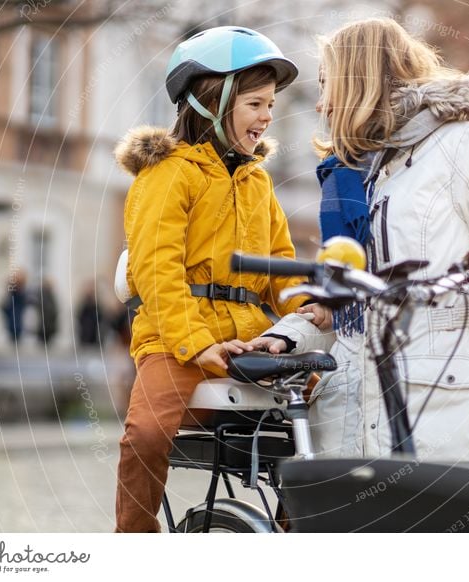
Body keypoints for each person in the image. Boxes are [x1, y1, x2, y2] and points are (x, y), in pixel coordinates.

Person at [303, 18, 469, 461]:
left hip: (443, 405)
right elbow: (346, 297)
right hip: (356, 408)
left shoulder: (460, 143)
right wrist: (289, 334)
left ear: (358, 81)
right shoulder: (357, 173)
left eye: (327, 84)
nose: (322, 104)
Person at [112, 26, 310, 532]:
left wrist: (305, 308)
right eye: (255, 104)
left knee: (326, 403)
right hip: (174, 340)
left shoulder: (257, 180)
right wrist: (195, 344)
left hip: (246, 339)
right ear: (211, 102)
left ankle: (295, 530)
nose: (268, 117)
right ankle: (132, 547)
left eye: (271, 105)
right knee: (145, 435)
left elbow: (278, 266)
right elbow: (156, 272)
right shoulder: (167, 173)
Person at [1, 270, 27, 343]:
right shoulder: (16, 291)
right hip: (13, 310)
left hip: (15, 310)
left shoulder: (19, 292)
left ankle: (15, 337)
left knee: (15, 322)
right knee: (14, 322)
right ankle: (15, 336)